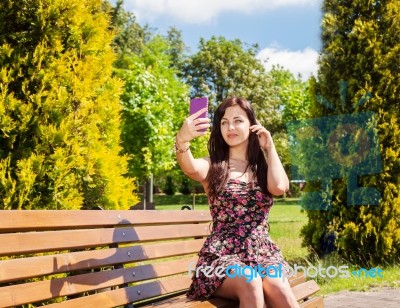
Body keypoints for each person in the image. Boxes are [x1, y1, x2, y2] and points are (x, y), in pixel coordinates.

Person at [175, 96, 299, 308]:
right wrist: (182, 140)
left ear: (252, 124)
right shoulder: (213, 165)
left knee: (279, 287)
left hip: (262, 253)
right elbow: (190, 167)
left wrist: (270, 148)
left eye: (238, 120)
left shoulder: (262, 168)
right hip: (222, 256)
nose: (230, 127)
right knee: (250, 280)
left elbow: (279, 187)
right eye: (224, 122)